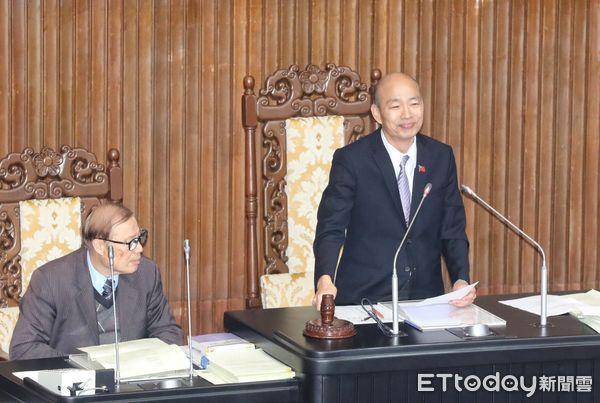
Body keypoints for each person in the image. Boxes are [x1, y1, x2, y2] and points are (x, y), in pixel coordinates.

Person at [312, 72, 476, 309]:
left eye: (414, 103)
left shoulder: (440, 157)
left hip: (425, 301)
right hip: (365, 300)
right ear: (377, 113)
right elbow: (331, 227)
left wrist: (461, 279)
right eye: (395, 106)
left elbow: (452, 228)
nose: (407, 114)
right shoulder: (352, 160)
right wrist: (325, 280)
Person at [10, 203, 183, 360]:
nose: (139, 248)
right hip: (76, 385)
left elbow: (168, 333)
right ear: (100, 245)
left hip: (133, 384)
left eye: (139, 238)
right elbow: (24, 348)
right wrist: (84, 366)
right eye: (129, 242)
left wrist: (138, 362)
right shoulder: (51, 280)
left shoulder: (146, 273)